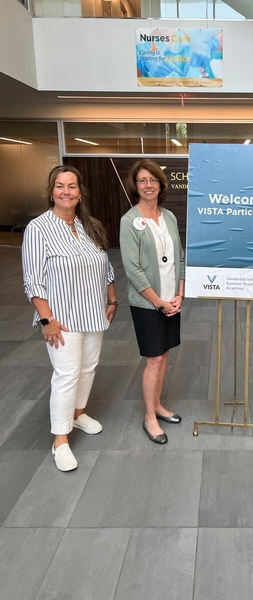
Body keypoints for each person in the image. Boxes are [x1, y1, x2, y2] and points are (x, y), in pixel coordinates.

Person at [22, 165, 118, 472]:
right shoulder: (39, 229)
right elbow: (33, 281)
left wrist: (112, 298)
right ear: (51, 192)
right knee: (66, 375)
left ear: (80, 193)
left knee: (88, 368)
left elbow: (104, 263)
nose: (66, 192)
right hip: (61, 318)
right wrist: (46, 318)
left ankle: (78, 415)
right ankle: (60, 441)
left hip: (93, 311)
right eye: (60, 186)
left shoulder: (88, 225)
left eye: (72, 186)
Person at [120, 159, 185, 445]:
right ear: (136, 187)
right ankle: (149, 417)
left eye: (153, 180)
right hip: (148, 303)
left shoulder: (168, 216)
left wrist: (179, 293)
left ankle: (158, 405)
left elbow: (180, 257)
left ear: (161, 184)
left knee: (165, 353)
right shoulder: (129, 221)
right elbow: (132, 268)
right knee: (154, 358)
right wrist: (159, 302)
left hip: (172, 299)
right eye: (142, 181)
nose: (148, 185)